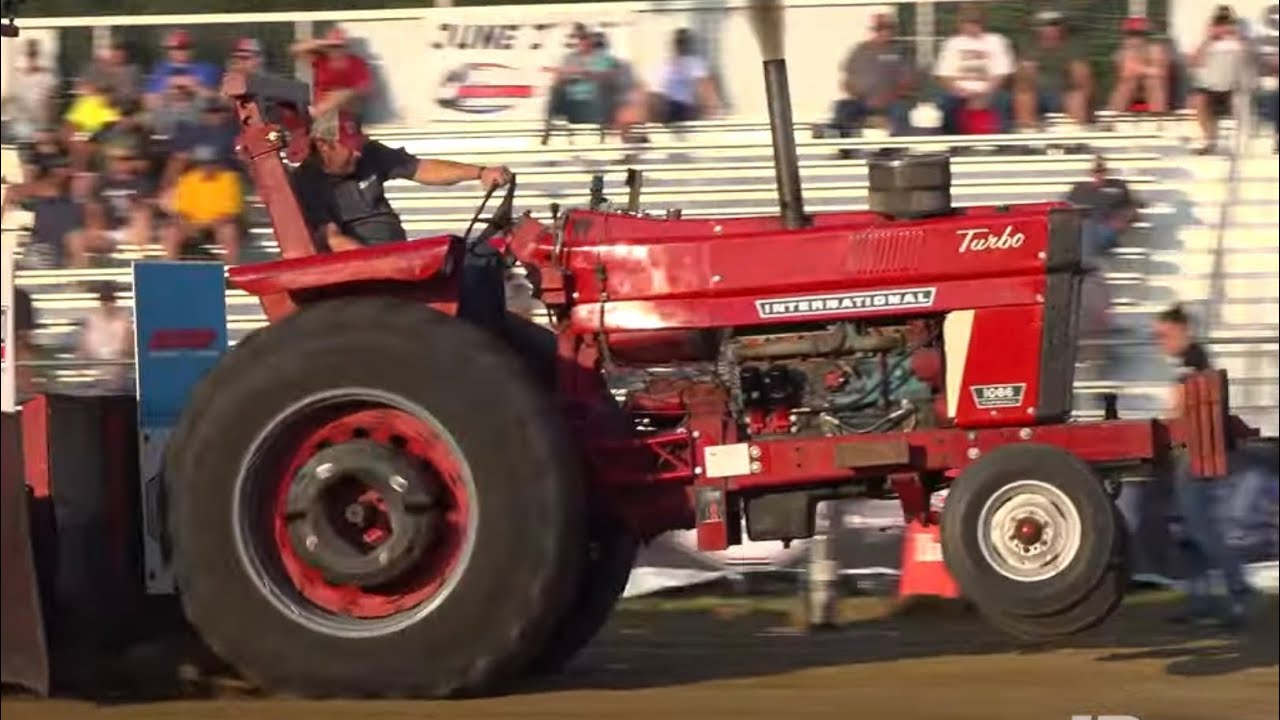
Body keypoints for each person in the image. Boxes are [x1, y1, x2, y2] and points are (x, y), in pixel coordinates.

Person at [1152, 304, 1252, 627]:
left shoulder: (1193, 366)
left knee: (1200, 531)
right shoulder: (1194, 362)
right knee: (1189, 532)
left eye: (1165, 334)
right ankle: (1203, 602)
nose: (1161, 341)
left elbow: (1178, 411)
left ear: (1183, 331)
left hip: (1194, 457)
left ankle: (1237, 591)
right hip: (1195, 455)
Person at [290, 111, 512, 252]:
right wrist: (384, 266)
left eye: (358, 146)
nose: (358, 154)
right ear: (323, 145)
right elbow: (333, 241)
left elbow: (421, 169)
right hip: (366, 274)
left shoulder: (370, 154)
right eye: (350, 148)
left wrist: (480, 172)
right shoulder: (309, 182)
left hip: (396, 259)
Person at [933, 4, 1015, 135]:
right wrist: (961, 92)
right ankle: (953, 143)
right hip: (959, 92)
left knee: (1003, 100)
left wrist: (985, 93)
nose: (972, 25)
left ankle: (1001, 144)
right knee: (945, 102)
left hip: (991, 90)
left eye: (975, 21)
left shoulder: (996, 41)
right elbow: (944, 76)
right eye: (968, 21)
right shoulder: (952, 43)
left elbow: (1003, 73)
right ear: (960, 23)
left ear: (983, 22)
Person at [831, 14, 913, 137]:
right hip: (862, 100)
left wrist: (887, 96)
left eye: (888, 28)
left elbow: (908, 79)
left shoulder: (902, 50)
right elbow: (847, 80)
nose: (884, 32)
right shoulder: (859, 50)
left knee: (900, 111)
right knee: (843, 108)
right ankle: (846, 150)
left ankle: (892, 150)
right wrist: (857, 94)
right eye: (879, 28)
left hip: (892, 100)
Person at [291, 27, 373, 149]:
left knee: (340, 95)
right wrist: (322, 43)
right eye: (332, 47)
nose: (336, 51)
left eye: (339, 47)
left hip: (345, 109)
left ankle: (320, 115)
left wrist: (335, 99)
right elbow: (296, 49)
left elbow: (365, 87)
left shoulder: (355, 63)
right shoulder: (321, 60)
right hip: (323, 112)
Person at [160, 145, 243, 263]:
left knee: (229, 231)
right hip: (193, 223)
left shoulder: (229, 179)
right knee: (171, 231)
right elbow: (182, 210)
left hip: (219, 223)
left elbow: (231, 211)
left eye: (211, 163)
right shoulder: (188, 179)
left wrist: (209, 224)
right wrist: (188, 223)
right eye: (204, 163)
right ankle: (169, 267)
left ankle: (230, 267)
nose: (207, 167)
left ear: (217, 163)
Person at [1014, 10, 1092, 130]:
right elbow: (1020, 77)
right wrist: (1027, 72)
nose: (1051, 28)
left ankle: (1076, 134)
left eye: (1055, 25)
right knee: (1024, 91)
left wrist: (1073, 73)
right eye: (1047, 25)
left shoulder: (1072, 46)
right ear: (1038, 29)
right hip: (1037, 92)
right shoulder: (1029, 46)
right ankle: (1028, 133)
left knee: (1077, 93)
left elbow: (1083, 77)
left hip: (1063, 92)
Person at [1188, 6, 1250, 154]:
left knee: (1241, 99)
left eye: (1227, 23)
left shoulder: (1239, 42)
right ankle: (1210, 140)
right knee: (1199, 100)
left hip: (1233, 88)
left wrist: (1235, 35)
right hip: (1211, 89)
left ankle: (1241, 144)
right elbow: (1195, 61)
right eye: (1220, 23)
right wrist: (1208, 38)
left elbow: (1249, 61)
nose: (1223, 27)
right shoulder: (1207, 43)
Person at [649, 28, 722, 125]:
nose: (680, 46)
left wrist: (711, 110)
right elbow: (657, 92)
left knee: (670, 105)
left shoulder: (694, 63)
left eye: (683, 42)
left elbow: (705, 87)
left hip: (686, 108)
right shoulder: (665, 65)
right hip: (668, 107)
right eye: (679, 42)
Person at [1107, 16, 1173, 114]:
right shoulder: (1122, 53)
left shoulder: (1156, 49)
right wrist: (1145, 69)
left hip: (1157, 94)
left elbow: (1161, 72)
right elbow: (1125, 74)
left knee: (1152, 82)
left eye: (1138, 35)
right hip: (1132, 94)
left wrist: (1138, 68)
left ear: (1145, 36)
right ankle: (1113, 118)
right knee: (1128, 83)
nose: (1134, 39)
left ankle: (1158, 119)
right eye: (1130, 35)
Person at [77, 283, 134, 394]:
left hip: (120, 379)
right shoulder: (92, 321)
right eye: (104, 301)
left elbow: (128, 349)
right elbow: (84, 349)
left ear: (115, 301)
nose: (107, 304)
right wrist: (80, 364)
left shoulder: (124, 322)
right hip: (98, 376)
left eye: (110, 300)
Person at [143, 29, 222, 110]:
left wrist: (195, 86)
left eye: (184, 48)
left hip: (198, 114)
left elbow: (216, 99)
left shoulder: (208, 68)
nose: (180, 52)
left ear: (193, 49)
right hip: (167, 113)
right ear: (168, 50)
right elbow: (148, 102)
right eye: (176, 48)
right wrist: (168, 86)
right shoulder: (159, 70)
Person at [1, 38, 58, 145]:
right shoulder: (15, 77)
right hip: (19, 126)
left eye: (33, 54)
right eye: (28, 54)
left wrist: (47, 128)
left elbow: (49, 105)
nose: (30, 59)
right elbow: (7, 101)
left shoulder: (46, 78)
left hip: (38, 129)